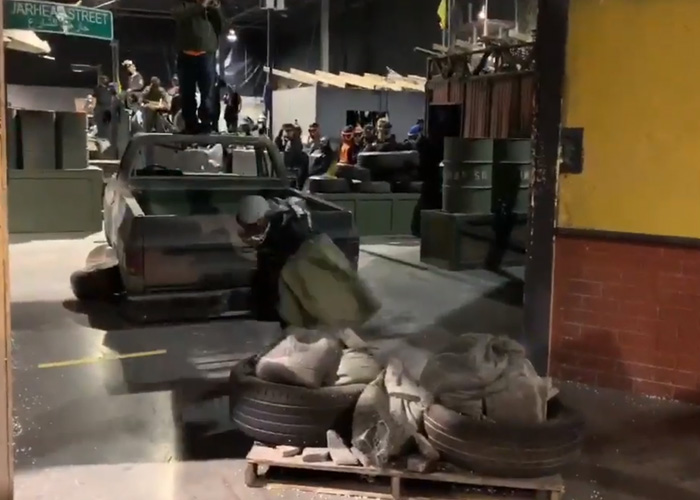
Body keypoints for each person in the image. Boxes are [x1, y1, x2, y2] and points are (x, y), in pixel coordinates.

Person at [237, 195, 313, 326]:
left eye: (252, 228)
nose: (249, 232)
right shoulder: (265, 217)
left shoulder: (292, 229)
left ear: (261, 221)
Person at [173, 0, 223, 134]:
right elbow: (177, 14)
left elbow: (222, 26)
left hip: (206, 54)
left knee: (208, 93)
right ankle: (190, 124)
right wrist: (200, 6)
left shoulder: (211, 7)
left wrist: (216, 9)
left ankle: (206, 124)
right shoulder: (184, 4)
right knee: (187, 93)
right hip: (186, 54)